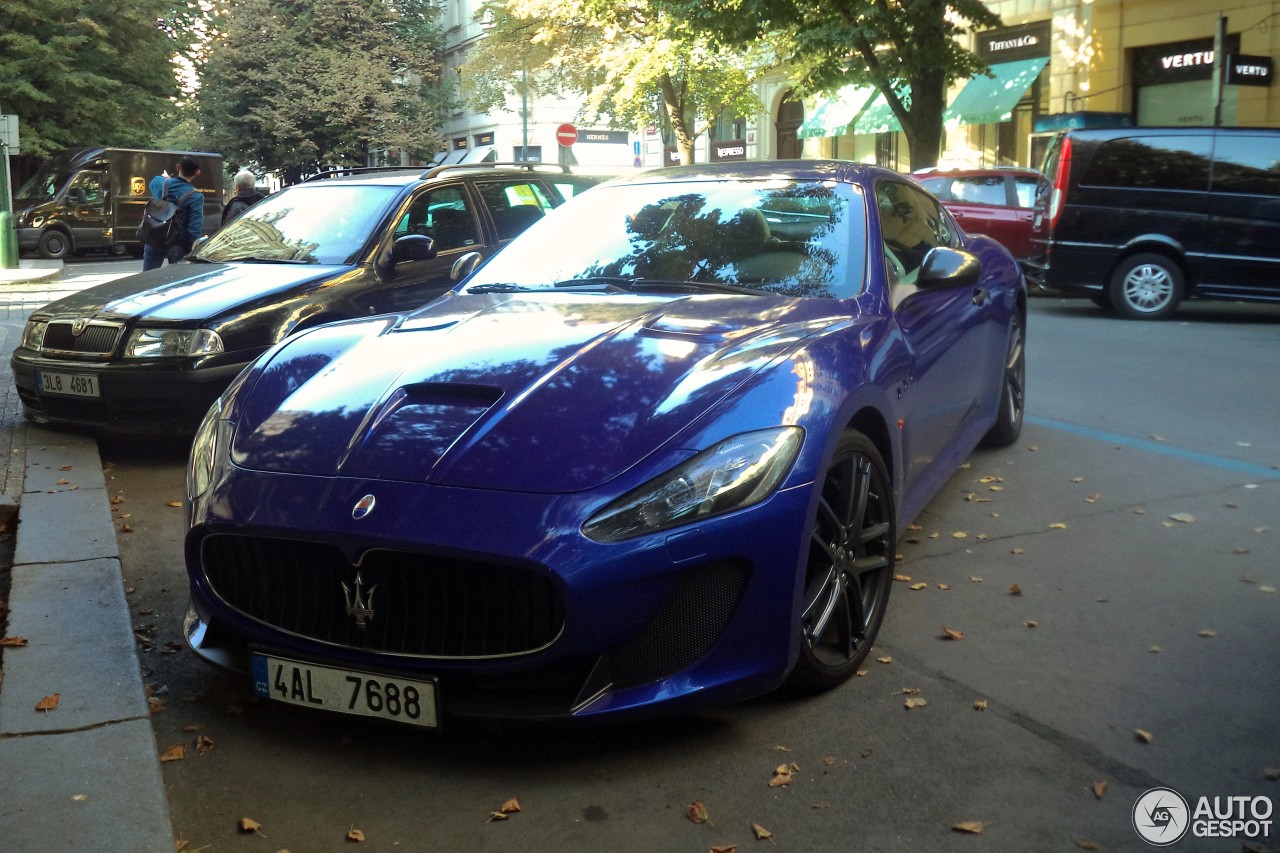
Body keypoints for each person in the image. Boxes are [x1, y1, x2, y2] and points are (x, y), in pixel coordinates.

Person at [143, 155, 204, 271]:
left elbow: (154, 183)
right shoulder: (196, 196)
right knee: (177, 280)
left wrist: (166, 179)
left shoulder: (160, 183)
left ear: (178, 167)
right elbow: (194, 229)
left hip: (154, 237)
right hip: (177, 244)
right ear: (197, 173)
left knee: (147, 279)